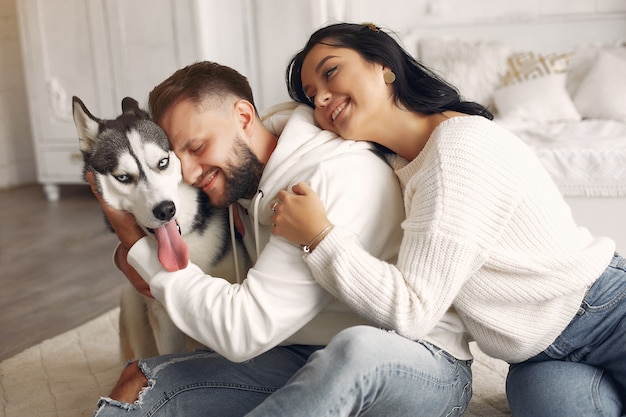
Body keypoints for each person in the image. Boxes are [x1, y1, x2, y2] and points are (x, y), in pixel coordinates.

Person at [257, 22, 626, 417]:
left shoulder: (455, 149)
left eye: (330, 72)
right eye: (312, 95)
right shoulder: (398, 165)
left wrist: (319, 236)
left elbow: (414, 309)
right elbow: (286, 121)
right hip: (536, 357)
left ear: (382, 64)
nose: (322, 98)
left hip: (604, 312)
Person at [87, 60, 471, 417]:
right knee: (141, 383)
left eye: (198, 147)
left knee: (353, 350)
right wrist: (130, 248)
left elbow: (243, 331)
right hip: (301, 352)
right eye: (177, 156)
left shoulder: (327, 178)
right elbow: (163, 268)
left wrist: (130, 238)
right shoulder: (237, 176)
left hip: (420, 365)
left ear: (242, 117)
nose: (187, 174)